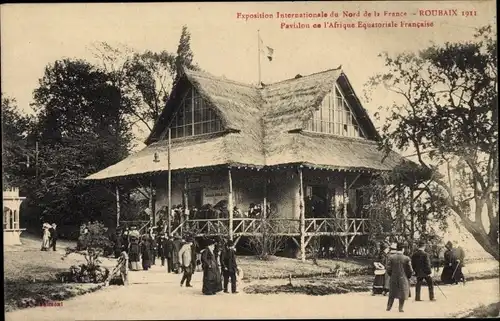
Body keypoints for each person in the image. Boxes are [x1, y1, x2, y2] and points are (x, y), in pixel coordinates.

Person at [386, 242, 413, 313]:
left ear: (397, 248)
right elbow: (410, 270)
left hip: (393, 277)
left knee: (392, 293)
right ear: (403, 249)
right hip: (403, 277)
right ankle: (400, 308)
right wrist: (408, 276)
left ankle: (389, 307)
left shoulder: (391, 257)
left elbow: (388, 269)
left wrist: (391, 275)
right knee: (402, 293)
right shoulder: (407, 258)